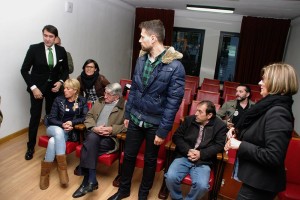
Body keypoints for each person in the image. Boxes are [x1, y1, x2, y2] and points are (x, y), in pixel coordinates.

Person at [108, 19, 185, 200]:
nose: (139, 40)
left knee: (150, 161)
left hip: (155, 123)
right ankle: (124, 190)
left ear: (153, 38)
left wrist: (163, 130)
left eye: (142, 37)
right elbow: (134, 88)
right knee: (129, 156)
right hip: (135, 118)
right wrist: (128, 113)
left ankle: (143, 194)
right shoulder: (141, 59)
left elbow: (173, 103)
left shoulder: (175, 66)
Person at [224, 63, 299, 200]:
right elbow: (258, 132)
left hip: (261, 183)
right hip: (256, 180)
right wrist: (236, 131)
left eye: (264, 79)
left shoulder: (279, 112)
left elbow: (273, 156)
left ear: (277, 83)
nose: (260, 83)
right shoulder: (269, 105)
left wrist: (239, 145)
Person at [21, 25, 69, 160]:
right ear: (43, 35)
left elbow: (65, 70)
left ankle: (51, 146)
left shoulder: (61, 50)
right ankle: (30, 147)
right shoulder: (34, 49)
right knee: (35, 117)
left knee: (52, 117)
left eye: (51, 36)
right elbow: (24, 70)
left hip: (53, 90)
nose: (47, 39)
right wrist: (33, 88)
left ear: (55, 38)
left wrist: (60, 82)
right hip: (36, 89)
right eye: (45, 35)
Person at [72, 83, 127, 198]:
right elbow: (89, 116)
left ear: (117, 97)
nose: (105, 96)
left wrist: (112, 129)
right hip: (94, 134)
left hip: (109, 138)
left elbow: (127, 126)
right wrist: (94, 128)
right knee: (92, 138)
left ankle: (87, 182)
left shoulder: (125, 106)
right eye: (105, 92)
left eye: (109, 94)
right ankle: (91, 181)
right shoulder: (100, 101)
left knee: (88, 146)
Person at [165, 100, 227, 200]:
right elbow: (177, 136)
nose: (196, 114)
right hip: (184, 156)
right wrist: (188, 150)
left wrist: (201, 154)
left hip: (203, 160)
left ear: (209, 115)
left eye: (200, 111)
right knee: (170, 177)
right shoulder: (189, 120)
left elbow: (219, 145)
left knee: (202, 186)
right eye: (196, 110)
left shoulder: (220, 126)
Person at [40, 78, 88, 190]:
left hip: (69, 130)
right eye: (64, 88)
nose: (64, 90)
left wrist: (72, 122)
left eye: (68, 88)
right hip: (53, 128)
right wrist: (62, 124)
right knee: (58, 131)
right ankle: (63, 170)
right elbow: (51, 118)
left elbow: (85, 117)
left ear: (75, 90)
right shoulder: (59, 99)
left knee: (52, 142)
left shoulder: (82, 100)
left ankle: (44, 174)